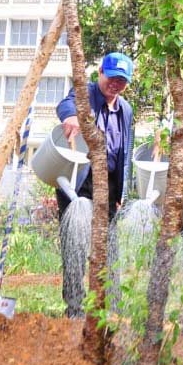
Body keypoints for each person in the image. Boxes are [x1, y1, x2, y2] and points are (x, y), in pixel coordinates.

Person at [56, 52, 135, 318]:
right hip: (80, 179)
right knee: (75, 243)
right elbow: (66, 104)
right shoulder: (86, 93)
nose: (116, 84)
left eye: (122, 81)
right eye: (112, 77)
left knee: (110, 244)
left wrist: (121, 191)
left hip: (109, 183)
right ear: (100, 72)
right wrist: (71, 117)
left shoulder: (125, 109)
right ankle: (75, 307)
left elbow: (125, 152)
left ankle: (111, 305)